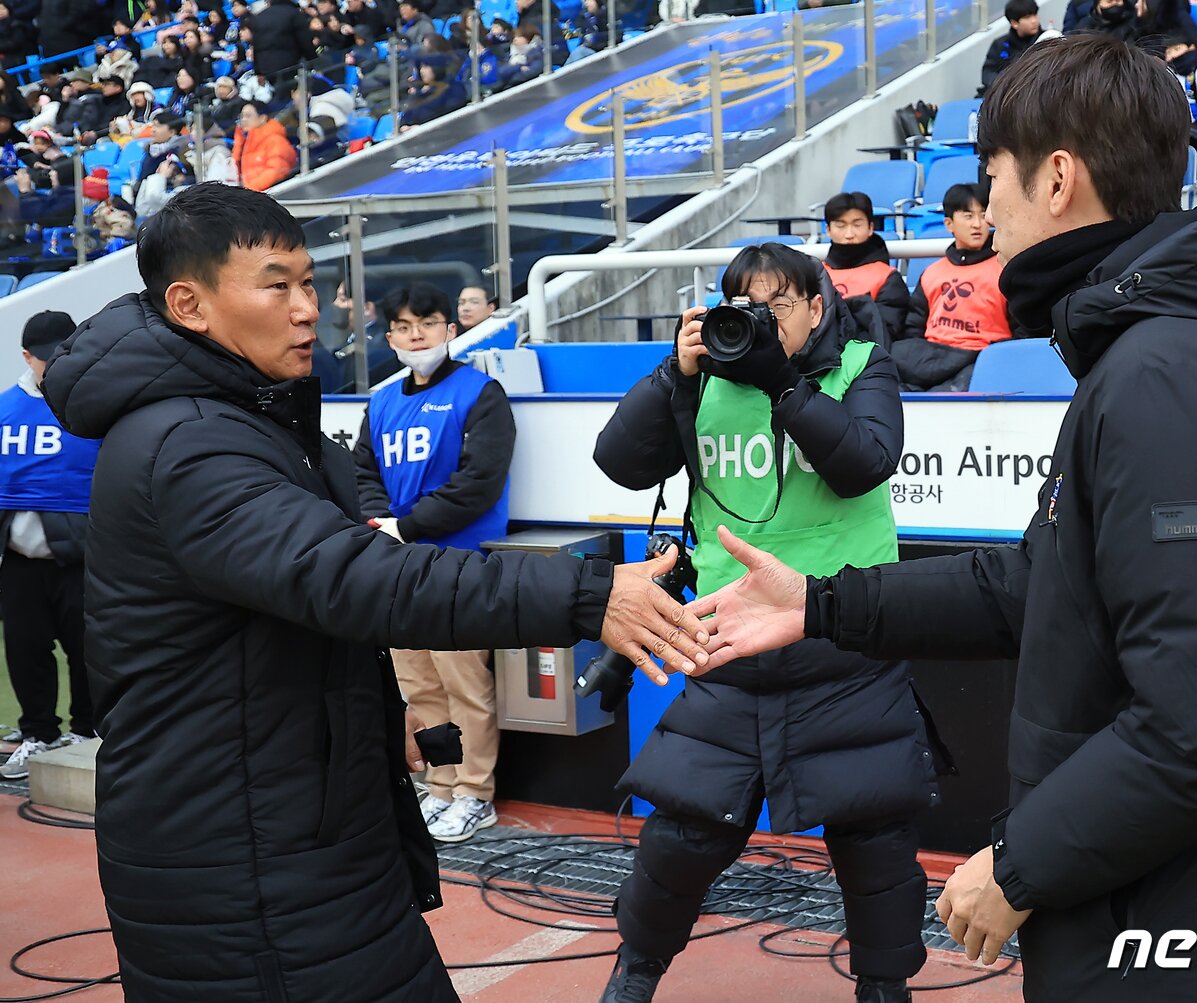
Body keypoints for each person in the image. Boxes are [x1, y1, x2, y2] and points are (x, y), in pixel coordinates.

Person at [689, 36, 1197, 1002]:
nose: (984, 208)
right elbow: (1043, 583)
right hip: (1158, 905)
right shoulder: (1153, 354)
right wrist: (820, 603)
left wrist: (1018, 864)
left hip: (1195, 936)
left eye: (992, 176)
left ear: (1056, 179)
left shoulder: (1180, 372)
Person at [40, 183, 710, 1002]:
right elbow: (349, 574)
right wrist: (584, 591)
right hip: (243, 868)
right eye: (276, 285)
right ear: (190, 303)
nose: (306, 310)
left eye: (311, 283)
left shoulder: (242, 415)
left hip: (297, 838)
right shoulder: (187, 443)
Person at [592, 242, 944, 1003]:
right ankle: (635, 973)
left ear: (816, 308)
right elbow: (618, 460)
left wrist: (782, 383)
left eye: (776, 304)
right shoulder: (703, 379)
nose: (757, 318)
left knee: (877, 848)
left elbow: (864, 461)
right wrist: (670, 376)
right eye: (744, 303)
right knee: (681, 839)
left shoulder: (859, 365)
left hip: (846, 645)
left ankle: (885, 989)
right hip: (730, 650)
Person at [354, 282, 513, 843]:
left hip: (458, 565)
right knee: (418, 685)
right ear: (390, 335)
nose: (415, 334)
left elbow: (479, 483)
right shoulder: (382, 400)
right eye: (402, 326)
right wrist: (383, 523)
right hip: (399, 565)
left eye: (427, 322)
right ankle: (441, 784)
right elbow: (363, 475)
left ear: (451, 329)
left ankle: (475, 792)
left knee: (464, 682)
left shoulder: (480, 393)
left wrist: (409, 524)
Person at [0, 312, 100, 781]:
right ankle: (37, 734)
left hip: (83, 558)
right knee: (24, 650)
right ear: (27, 358)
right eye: (48, 359)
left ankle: (87, 734)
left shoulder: (97, 408)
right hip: (19, 562)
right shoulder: (4, 411)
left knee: (88, 651)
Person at [894, 183, 1013, 391]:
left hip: (981, 360)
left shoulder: (1006, 270)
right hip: (930, 358)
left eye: (983, 215)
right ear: (949, 224)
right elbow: (914, 327)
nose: (977, 224)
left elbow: (1022, 331)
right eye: (968, 216)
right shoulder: (932, 273)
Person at [821, 191, 910, 337]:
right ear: (828, 230)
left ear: (870, 228)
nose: (849, 234)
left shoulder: (887, 277)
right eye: (840, 226)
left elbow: (887, 331)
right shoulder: (815, 273)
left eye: (857, 225)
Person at [980, 0, 1058, 95]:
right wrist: (1004, 85)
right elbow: (988, 73)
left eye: (1035, 15)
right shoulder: (1000, 44)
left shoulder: (1049, 39)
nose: (1034, 21)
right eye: (1027, 17)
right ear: (1014, 23)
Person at [232, 99, 297, 191]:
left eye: (248, 116)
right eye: (242, 116)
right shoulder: (245, 141)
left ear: (262, 118)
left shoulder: (275, 140)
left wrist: (249, 191)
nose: (243, 120)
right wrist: (238, 140)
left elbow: (276, 171)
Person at [1073, 0, 1140, 40]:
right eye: (1109, 1)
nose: (1114, 4)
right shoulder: (1084, 26)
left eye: (1117, 1)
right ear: (1098, 6)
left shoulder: (1136, 24)